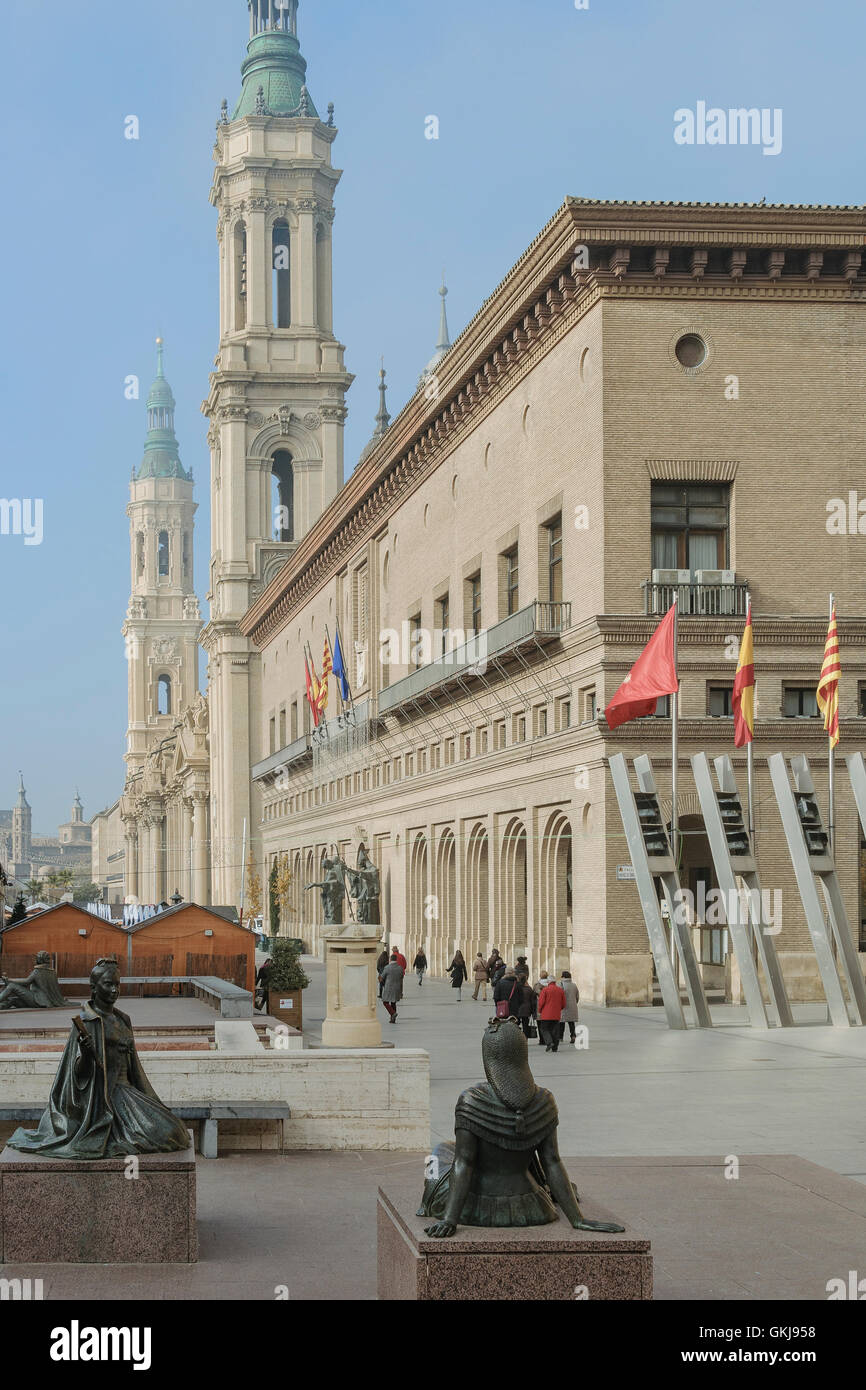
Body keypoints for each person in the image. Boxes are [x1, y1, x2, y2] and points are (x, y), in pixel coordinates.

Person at [8, 957, 190, 1159]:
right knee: (165, 1133)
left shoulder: (123, 1019)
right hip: (102, 1098)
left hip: (128, 1092)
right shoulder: (87, 1022)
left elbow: (134, 1069)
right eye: (108, 984)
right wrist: (86, 1053)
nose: (115, 990)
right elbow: (78, 1076)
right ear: (94, 987)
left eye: (117, 984)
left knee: (175, 1131)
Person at [0, 951, 66, 1011]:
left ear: (39, 959)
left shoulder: (37, 971)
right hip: (46, 1001)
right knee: (13, 1001)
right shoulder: (52, 972)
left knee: (12, 986)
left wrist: (9, 980)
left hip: (37, 1000)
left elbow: (26, 982)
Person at [537, 975, 566, 1053]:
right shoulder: (560, 990)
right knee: (555, 1030)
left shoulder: (545, 990)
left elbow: (541, 1002)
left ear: (548, 982)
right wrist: (558, 1009)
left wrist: (539, 1010)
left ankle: (549, 1042)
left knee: (544, 1029)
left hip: (546, 1014)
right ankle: (555, 1047)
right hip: (556, 1014)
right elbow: (563, 1003)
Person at [380, 955, 404, 1024]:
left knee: (385, 1002)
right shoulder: (400, 968)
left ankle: (393, 1013)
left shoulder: (387, 967)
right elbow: (401, 977)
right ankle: (393, 1019)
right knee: (393, 1002)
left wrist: (380, 980)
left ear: (390, 959)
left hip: (389, 987)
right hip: (397, 987)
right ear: (396, 959)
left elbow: (382, 977)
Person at [559, 971, 580, 1045]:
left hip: (563, 1007)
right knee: (571, 1023)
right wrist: (574, 1003)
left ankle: (560, 1037)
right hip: (572, 1006)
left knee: (561, 1023)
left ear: (563, 977)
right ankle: (573, 1036)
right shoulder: (574, 985)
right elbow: (577, 996)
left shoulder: (561, 985)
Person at [532, 971, 550, 1045]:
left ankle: (542, 1040)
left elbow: (533, 995)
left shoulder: (536, 985)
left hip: (539, 1006)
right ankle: (548, 1039)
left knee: (540, 1024)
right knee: (548, 1024)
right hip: (548, 1006)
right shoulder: (550, 985)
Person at [516, 972, 535, 1039]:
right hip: (527, 1009)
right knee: (525, 1024)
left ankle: (517, 1037)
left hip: (517, 1008)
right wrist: (533, 1011)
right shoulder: (529, 989)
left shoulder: (516, 988)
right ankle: (525, 1038)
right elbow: (532, 1001)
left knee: (516, 1023)